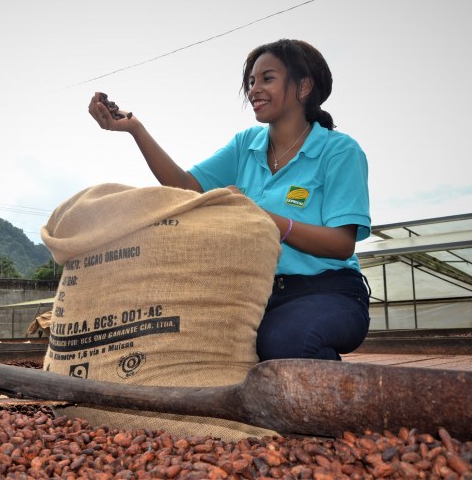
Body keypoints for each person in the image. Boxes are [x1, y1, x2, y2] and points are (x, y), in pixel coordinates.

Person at [87, 38, 370, 361]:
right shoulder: (246, 144)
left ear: (303, 87)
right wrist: (135, 129)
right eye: (251, 82)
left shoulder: (339, 151)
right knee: (199, 345)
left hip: (329, 291)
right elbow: (186, 186)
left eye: (267, 78)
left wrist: (257, 215)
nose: (254, 90)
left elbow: (341, 245)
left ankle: (336, 407)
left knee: (286, 344)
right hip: (257, 292)